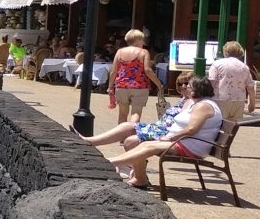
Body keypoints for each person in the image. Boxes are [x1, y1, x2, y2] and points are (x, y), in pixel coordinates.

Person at [80, 76, 222, 189]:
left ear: (196, 90)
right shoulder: (198, 103)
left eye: (189, 86)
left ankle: (110, 163)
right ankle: (120, 167)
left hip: (190, 145)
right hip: (182, 141)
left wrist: (170, 137)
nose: (186, 88)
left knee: (149, 146)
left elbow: (192, 129)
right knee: (141, 144)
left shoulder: (204, 106)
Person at [108, 29, 157, 125]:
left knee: (122, 114)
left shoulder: (119, 52)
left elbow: (114, 71)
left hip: (121, 86)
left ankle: (121, 137)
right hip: (140, 86)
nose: (143, 42)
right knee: (136, 113)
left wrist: (110, 86)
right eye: (142, 40)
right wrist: (158, 84)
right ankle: (130, 134)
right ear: (137, 40)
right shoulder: (144, 52)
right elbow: (148, 70)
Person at [208, 41, 255, 126]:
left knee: (218, 125)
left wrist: (206, 98)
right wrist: (252, 103)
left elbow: (211, 82)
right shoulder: (244, 67)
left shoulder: (217, 64)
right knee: (232, 127)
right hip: (239, 100)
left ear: (225, 51)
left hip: (220, 99)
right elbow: (250, 87)